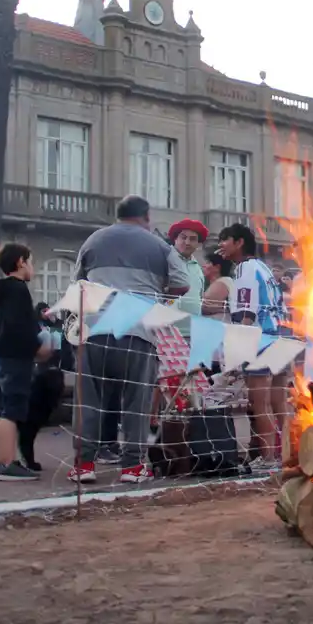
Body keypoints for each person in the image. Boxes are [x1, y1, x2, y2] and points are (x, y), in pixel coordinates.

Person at [72, 196, 188, 484]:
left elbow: (78, 283)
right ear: (145, 216)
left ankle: (84, 465)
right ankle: (132, 467)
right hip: (138, 331)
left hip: (95, 330)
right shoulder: (158, 245)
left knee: (89, 400)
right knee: (136, 401)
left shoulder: (93, 240)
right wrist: (159, 295)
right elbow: (183, 282)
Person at [219, 222, 287, 471]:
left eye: (224, 240)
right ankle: (288, 453)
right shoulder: (265, 269)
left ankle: (268, 459)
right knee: (280, 401)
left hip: (260, 338)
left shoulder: (244, 269)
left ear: (239, 243)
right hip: (282, 335)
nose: (220, 245)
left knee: (260, 402)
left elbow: (246, 311)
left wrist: (239, 350)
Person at [0, 242, 52, 481]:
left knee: (6, 405)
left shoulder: (4, 291)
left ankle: (2, 459)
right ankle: (6, 463)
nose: (32, 267)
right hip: (17, 356)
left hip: (7, 354)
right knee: (11, 407)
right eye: (30, 261)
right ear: (20, 262)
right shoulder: (17, 290)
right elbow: (19, 325)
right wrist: (37, 347)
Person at [167, 219, 208, 332]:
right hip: (166, 332)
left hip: (192, 332)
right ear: (175, 239)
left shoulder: (197, 267)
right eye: (183, 237)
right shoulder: (165, 258)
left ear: (198, 244)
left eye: (193, 239)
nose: (187, 242)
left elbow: (200, 299)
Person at [201, 251, 236, 323]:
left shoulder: (222, 282)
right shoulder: (224, 282)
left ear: (217, 267)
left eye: (208, 263)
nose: (203, 266)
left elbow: (204, 307)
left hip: (219, 326)